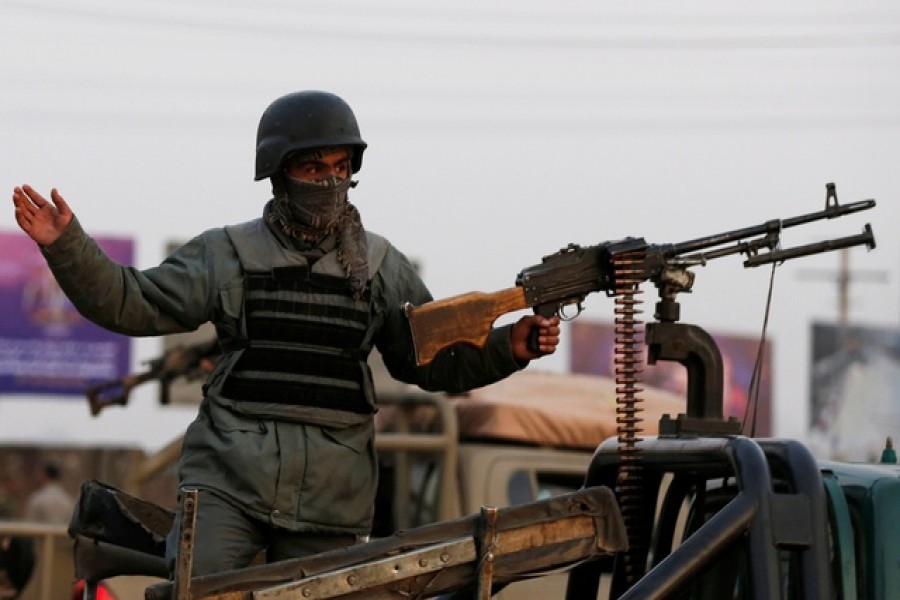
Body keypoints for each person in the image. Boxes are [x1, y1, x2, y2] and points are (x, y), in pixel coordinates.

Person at [11, 90, 561, 578]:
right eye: (313, 167)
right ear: (279, 174)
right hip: (229, 480)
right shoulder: (228, 255)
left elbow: (427, 359)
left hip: (332, 496)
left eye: (340, 166)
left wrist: (508, 347)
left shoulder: (380, 268)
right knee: (198, 589)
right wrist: (67, 246)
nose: (329, 181)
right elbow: (133, 303)